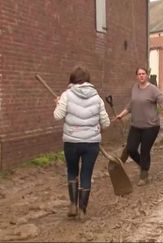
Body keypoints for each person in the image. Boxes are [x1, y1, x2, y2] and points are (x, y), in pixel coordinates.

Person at [53, 65, 110, 219]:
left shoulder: (66, 95)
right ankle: (83, 210)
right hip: (91, 143)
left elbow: (58, 116)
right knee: (86, 174)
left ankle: (73, 204)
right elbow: (106, 122)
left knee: (72, 171)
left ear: (73, 79)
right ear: (88, 80)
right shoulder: (97, 98)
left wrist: (59, 103)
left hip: (71, 142)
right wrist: (96, 128)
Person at [113, 67, 163, 186]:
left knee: (144, 150)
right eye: (139, 74)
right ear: (136, 76)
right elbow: (131, 105)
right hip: (136, 125)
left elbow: (161, 100)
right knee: (131, 148)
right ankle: (144, 165)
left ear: (147, 75)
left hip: (151, 126)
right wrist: (121, 115)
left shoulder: (153, 89)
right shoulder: (134, 88)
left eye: (143, 74)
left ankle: (144, 175)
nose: (141, 76)